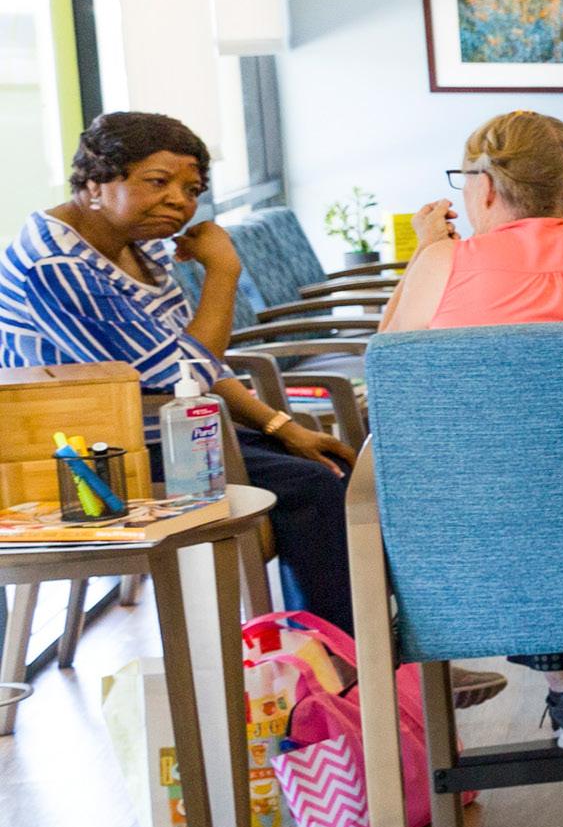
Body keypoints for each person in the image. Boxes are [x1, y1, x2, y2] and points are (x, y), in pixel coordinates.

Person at [377, 111, 563, 748]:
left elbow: (388, 363)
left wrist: (427, 248)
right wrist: (554, 218)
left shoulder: (443, 264)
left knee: (513, 471)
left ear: (483, 187)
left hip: (488, 532)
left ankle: (364, 681)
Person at [0, 113, 356, 627]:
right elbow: (181, 372)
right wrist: (224, 271)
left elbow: (190, 364)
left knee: (333, 467)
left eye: (191, 190)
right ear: (95, 183)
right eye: (157, 182)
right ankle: (340, 653)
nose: (178, 202)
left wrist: (282, 426)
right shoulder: (57, 264)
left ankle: (349, 641)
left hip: (167, 432)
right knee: (312, 487)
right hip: (93, 461)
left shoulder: (134, 245)